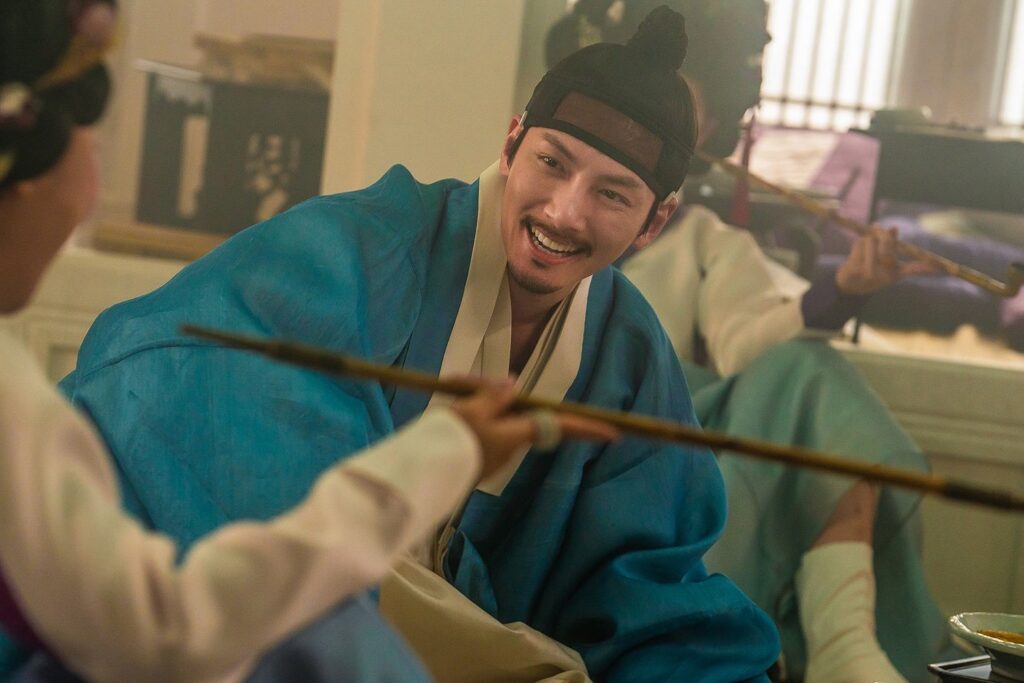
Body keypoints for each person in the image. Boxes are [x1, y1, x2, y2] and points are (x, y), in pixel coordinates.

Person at [59, 6, 782, 682]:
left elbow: (651, 585)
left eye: (613, 194)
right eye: (552, 163)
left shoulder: (627, 353)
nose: (564, 213)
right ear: (511, 143)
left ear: (655, 222)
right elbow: (183, 400)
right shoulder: (359, 249)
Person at [555, 1, 948, 681]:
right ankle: (838, 644)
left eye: (679, 104)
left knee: (804, 369)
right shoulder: (540, 215)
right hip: (578, 452)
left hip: (676, 452)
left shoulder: (706, 240)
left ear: (703, 130)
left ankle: (843, 642)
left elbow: (747, 348)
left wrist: (840, 290)